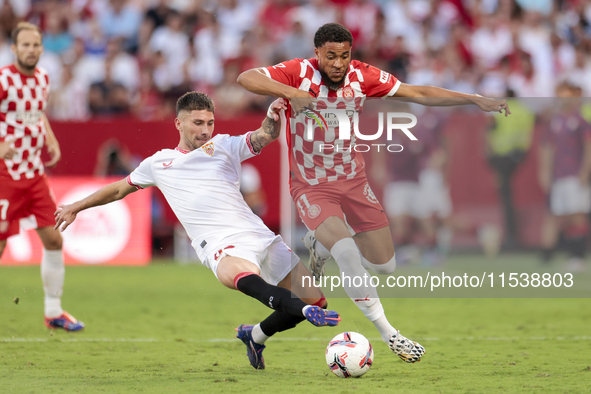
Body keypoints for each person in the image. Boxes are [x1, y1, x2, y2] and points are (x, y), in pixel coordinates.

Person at [237, 22, 510, 363]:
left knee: (386, 266)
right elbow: (246, 77)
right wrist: (291, 93)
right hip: (311, 185)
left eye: (345, 56)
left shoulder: (363, 76)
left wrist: (472, 99)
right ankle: (390, 334)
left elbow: (418, 93)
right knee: (348, 253)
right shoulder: (298, 73)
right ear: (318, 53)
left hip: (353, 182)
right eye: (331, 56)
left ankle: (320, 245)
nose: (339, 63)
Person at [54, 92, 340, 370]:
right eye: (198, 123)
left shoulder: (225, 146)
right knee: (247, 280)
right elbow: (118, 189)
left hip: (261, 237)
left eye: (210, 123)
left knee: (316, 300)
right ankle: (299, 311)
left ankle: (254, 336)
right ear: (179, 123)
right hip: (221, 247)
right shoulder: (160, 163)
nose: (205, 130)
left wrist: (271, 118)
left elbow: (263, 136)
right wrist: (77, 206)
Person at [0, 22, 84, 332]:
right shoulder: (3, 80)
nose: (31, 50)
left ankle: (53, 312)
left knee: (53, 238)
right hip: (5, 176)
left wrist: (50, 137)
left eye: (36, 45)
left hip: (34, 175)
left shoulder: (43, 78)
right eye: (25, 45)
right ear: (14, 48)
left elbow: (36, 113)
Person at [538, 82, 591, 273]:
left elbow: (588, 147)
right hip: (559, 176)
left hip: (574, 174)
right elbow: (547, 147)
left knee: (577, 214)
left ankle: (578, 257)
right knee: (563, 215)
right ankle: (567, 255)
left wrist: (585, 171)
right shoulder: (555, 121)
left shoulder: (581, 121)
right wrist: (544, 171)